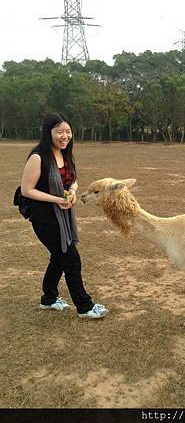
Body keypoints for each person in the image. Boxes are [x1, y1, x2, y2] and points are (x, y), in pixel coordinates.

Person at [21, 112, 108, 319]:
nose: (64, 136)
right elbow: (27, 190)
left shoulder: (65, 152)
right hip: (45, 219)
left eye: (68, 131)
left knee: (59, 259)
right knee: (71, 260)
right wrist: (57, 199)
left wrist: (73, 192)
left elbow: (73, 179)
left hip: (64, 217)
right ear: (48, 132)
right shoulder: (38, 157)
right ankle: (85, 307)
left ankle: (48, 299)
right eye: (59, 131)